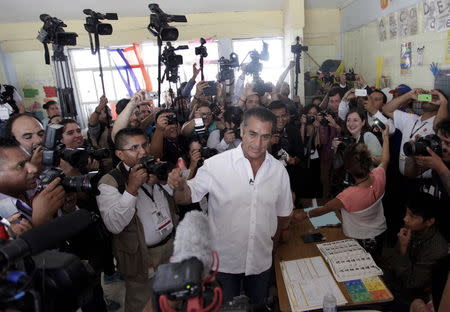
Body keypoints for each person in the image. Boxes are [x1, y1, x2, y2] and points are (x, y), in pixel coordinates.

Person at [168, 107, 293, 305]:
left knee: (258, 306)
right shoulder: (215, 165)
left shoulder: (279, 172)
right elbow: (186, 196)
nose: (258, 143)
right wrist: (179, 186)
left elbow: (283, 216)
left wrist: (272, 246)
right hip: (224, 264)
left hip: (261, 260)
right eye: (252, 134)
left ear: (272, 137)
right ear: (241, 130)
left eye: (265, 136)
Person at [97, 127, 178, 312]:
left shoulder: (156, 167)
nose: (142, 152)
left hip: (168, 246)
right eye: (134, 148)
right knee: (141, 301)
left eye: (144, 145)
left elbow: (178, 196)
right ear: (120, 154)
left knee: (169, 297)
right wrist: (131, 188)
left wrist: (163, 180)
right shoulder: (110, 182)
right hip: (140, 255)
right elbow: (114, 225)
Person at [296, 126, 390, 256]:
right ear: (368, 162)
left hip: (359, 239)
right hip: (379, 234)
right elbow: (385, 160)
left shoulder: (348, 195)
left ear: (348, 169)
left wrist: (305, 215)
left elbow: (323, 209)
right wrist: (385, 137)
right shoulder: (379, 176)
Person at [383, 193, 448, 310]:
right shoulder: (412, 227)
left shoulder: (437, 250)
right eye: (406, 213)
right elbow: (392, 261)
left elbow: (411, 283)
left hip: (413, 297)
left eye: (412, 216)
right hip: (394, 281)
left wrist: (403, 248)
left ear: (429, 222)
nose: (405, 219)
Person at [0, 137, 65, 228]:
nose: (34, 169)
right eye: (21, 165)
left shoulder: (36, 185)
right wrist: (40, 223)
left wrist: (67, 209)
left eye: (29, 160)